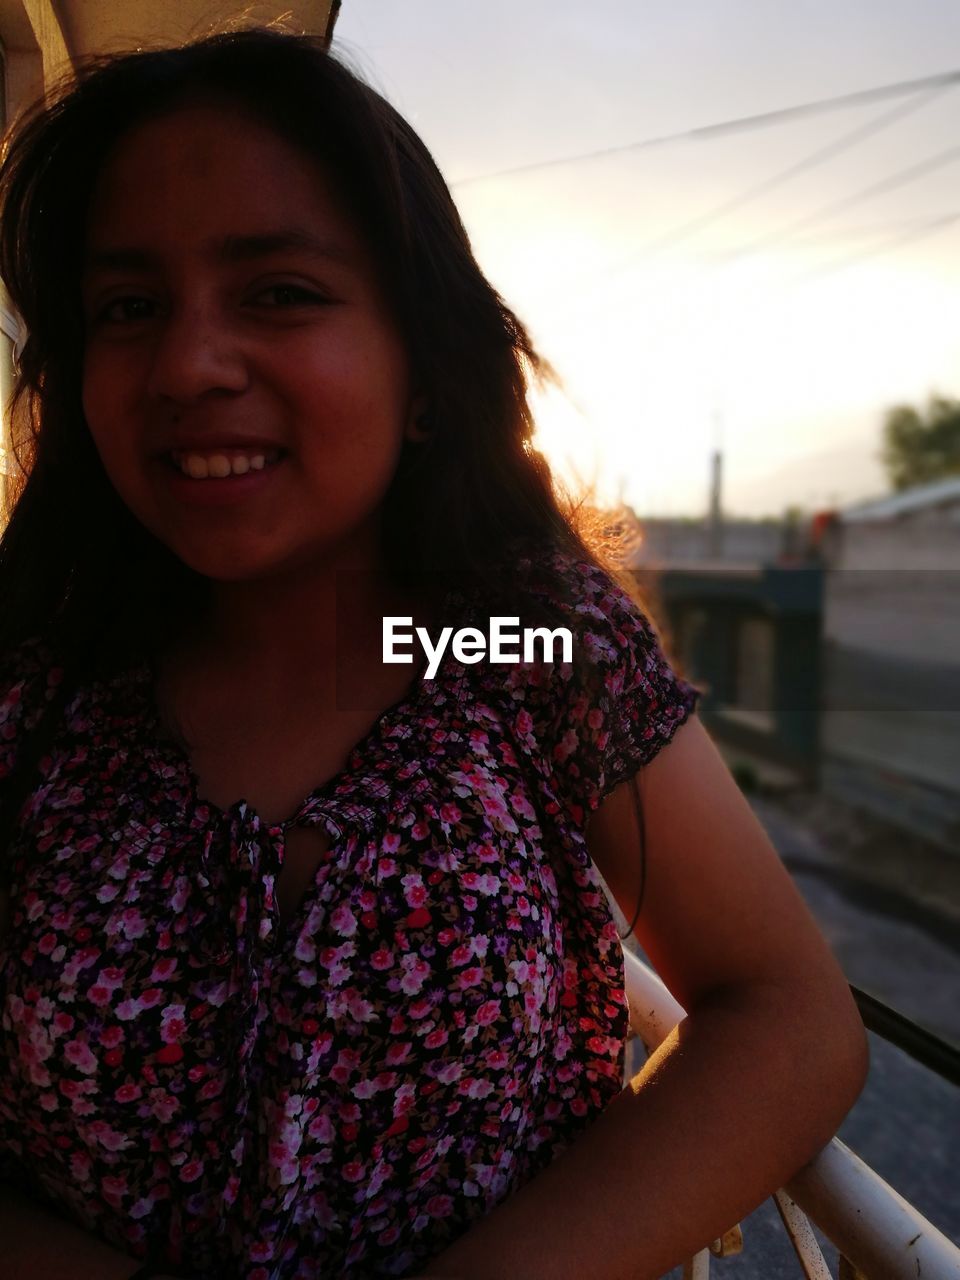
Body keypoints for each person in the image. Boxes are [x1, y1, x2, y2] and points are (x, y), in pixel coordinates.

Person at [0, 26, 868, 1280]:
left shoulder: (505, 637)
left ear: (421, 367)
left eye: (279, 292)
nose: (186, 364)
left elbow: (788, 1017)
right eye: (128, 307)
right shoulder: (36, 676)